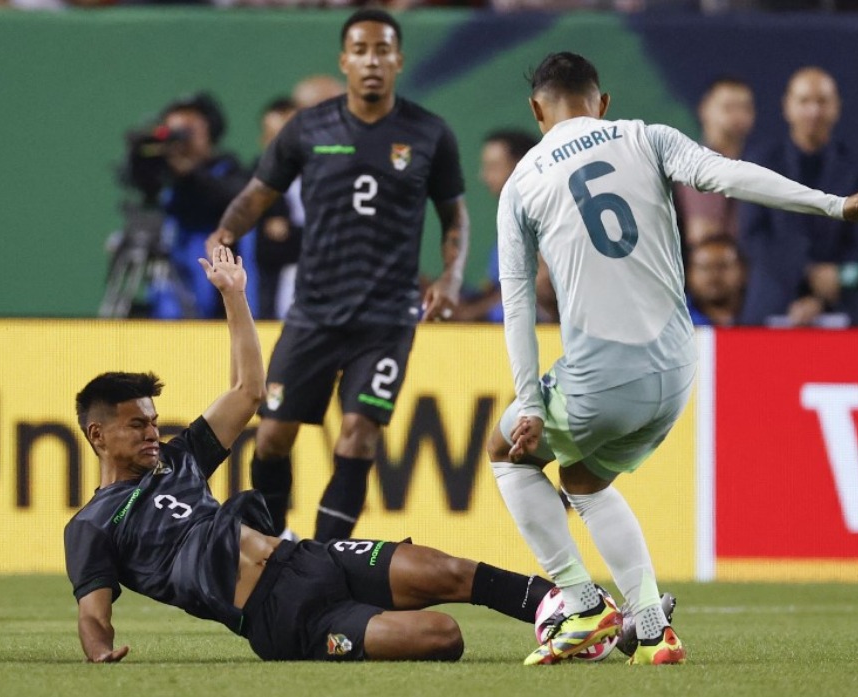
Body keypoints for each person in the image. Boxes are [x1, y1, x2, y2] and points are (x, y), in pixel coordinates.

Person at [488, 51, 858, 666]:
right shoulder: (647, 137)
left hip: (602, 375)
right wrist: (833, 204)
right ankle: (653, 631)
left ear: (537, 111)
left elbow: (517, 302)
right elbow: (731, 176)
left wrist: (530, 403)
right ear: (602, 103)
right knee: (584, 479)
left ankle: (582, 604)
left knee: (505, 453)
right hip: (678, 368)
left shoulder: (521, 182)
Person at [66, 244, 552, 663]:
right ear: (98, 435)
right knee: (442, 635)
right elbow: (93, 613)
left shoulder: (178, 458)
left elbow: (248, 391)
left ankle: (570, 608)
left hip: (310, 557)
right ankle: (362, 625)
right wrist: (100, 651)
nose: (153, 432)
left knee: (449, 571)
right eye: (137, 425)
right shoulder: (92, 525)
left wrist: (234, 295)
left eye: (153, 421)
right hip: (282, 615)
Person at [205, 9, 470, 543]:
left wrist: (451, 277)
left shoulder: (429, 133)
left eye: (382, 50)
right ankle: (275, 547)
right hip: (315, 312)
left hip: (387, 316)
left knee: (359, 434)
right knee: (272, 437)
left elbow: (454, 215)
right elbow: (258, 194)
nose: (372, 61)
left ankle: (325, 560)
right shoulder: (308, 128)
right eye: (361, 50)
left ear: (398, 60)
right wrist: (224, 234)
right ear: (344, 60)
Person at [738, 67, 858, 328]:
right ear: (787, 106)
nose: (814, 111)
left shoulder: (855, 168)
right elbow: (752, 235)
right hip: (771, 304)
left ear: (836, 107)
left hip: (838, 308)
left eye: (822, 101)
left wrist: (827, 289)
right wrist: (808, 273)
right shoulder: (760, 163)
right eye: (804, 101)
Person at [150, 92, 250, 320]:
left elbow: (232, 198)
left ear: (210, 131)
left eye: (187, 130)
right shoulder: (166, 179)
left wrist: (189, 173)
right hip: (167, 299)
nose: (179, 141)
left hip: (213, 301)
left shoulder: (229, 172)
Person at [452, 129, 558, 323]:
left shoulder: (545, 215)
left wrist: (470, 314)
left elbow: (540, 286)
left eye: (492, 167)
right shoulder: (512, 215)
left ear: (521, 167)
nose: (483, 177)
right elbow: (497, 286)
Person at [673, 76, 755, 248]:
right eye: (728, 107)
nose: (737, 115)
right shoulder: (691, 166)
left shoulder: (760, 167)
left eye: (744, 107)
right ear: (704, 110)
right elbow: (700, 234)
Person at [251, 96, 302, 320]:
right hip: (277, 301)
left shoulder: (331, 182)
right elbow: (270, 248)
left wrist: (292, 235)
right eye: (274, 138)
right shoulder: (257, 186)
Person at [685, 234, 746, 327]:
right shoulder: (675, 322)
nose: (714, 275)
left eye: (722, 266)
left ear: (743, 271)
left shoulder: (762, 317)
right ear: (689, 274)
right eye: (704, 268)